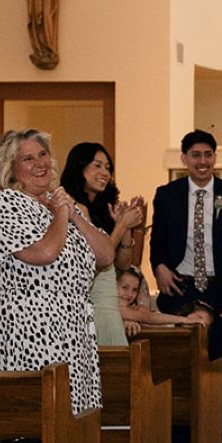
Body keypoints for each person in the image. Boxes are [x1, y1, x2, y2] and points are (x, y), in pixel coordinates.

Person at [0, 130, 110, 416]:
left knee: (76, 420)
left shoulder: (59, 202)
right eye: (28, 158)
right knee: (43, 416)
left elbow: (105, 255)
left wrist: (74, 213)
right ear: (10, 167)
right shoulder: (5, 203)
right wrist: (62, 215)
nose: (40, 163)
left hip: (74, 326)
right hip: (30, 326)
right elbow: (43, 253)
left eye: (43, 154)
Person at [151, 130, 222, 443]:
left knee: (219, 370)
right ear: (184, 159)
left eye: (208, 154)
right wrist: (160, 268)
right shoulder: (166, 195)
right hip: (179, 289)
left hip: (220, 291)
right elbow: (158, 244)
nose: (202, 161)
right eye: (195, 155)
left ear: (215, 158)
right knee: (180, 370)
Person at [59, 142, 146, 347]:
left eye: (107, 168)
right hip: (89, 305)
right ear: (79, 167)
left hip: (108, 305)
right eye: (97, 165)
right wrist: (122, 225)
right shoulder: (71, 207)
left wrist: (124, 228)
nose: (104, 172)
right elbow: (95, 263)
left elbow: (122, 265)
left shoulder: (101, 208)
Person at [115, 266, 209, 336]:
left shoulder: (132, 308)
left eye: (135, 290)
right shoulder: (114, 305)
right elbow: (148, 317)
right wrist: (185, 320)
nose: (129, 294)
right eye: (125, 287)